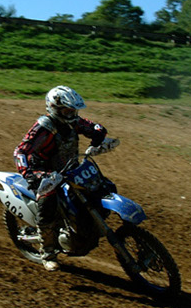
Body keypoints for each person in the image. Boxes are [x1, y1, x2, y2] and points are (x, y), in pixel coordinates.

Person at [13, 86, 119, 271]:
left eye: (73, 110)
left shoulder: (72, 122)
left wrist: (98, 134)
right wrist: (30, 174)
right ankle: (48, 253)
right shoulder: (43, 128)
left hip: (69, 169)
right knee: (47, 205)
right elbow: (21, 151)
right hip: (45, 174)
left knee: (103, 186)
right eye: (67, 111)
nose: (71, 114)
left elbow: (92, 127)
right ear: (54, 108)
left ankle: (86, 226)